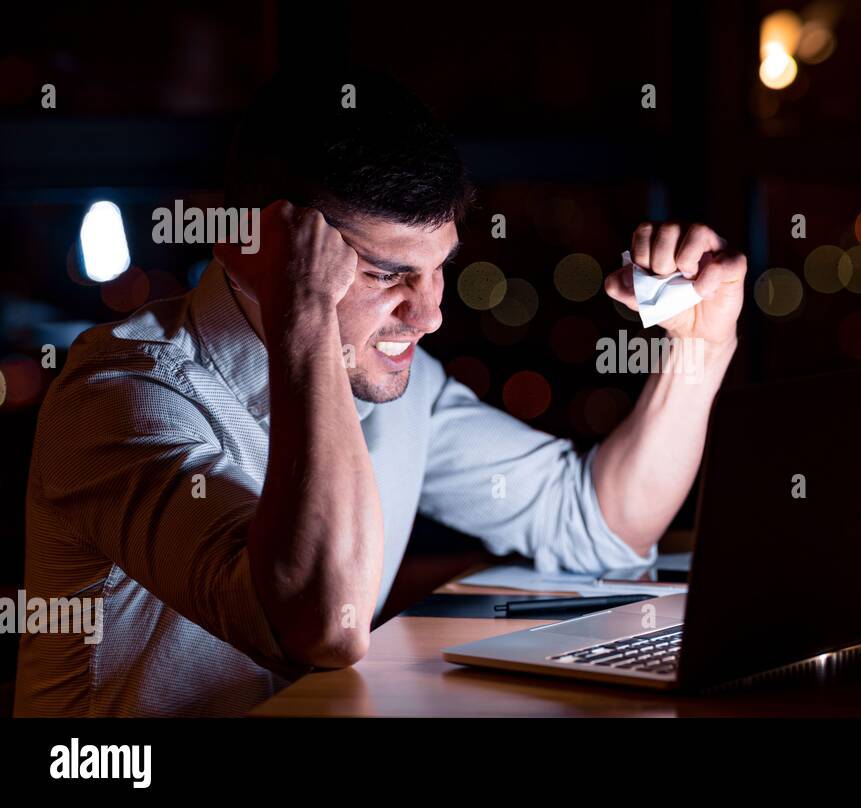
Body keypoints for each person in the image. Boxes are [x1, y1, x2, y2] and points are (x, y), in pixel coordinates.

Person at [16, 68, 746, 716]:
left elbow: (600, 524)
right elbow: (320, 625)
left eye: (437, 271)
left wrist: (701, 347)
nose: (428, 316)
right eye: (383, 274)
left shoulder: (400, 385)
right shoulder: (119, 400)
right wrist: (301, 316)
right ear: (254, 253)